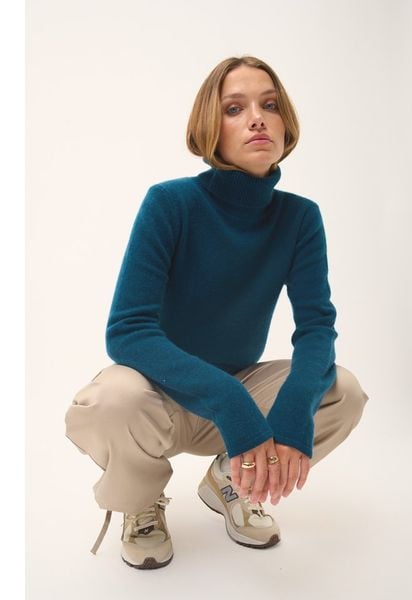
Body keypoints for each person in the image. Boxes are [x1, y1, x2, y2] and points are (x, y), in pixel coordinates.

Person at [65, 55, 369, 570]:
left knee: (343, 390)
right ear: (210, 126)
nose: (257, 119)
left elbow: (317, 328)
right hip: (157, 398)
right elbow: (128, 331)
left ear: (285, 123)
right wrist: (230, 402)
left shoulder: (299, 218)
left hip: (238, 394)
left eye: (269, 105)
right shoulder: (170, 203)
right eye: (235, 108)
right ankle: (141, 502)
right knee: (110, 400)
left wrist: (293, 411)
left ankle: (234, 478)